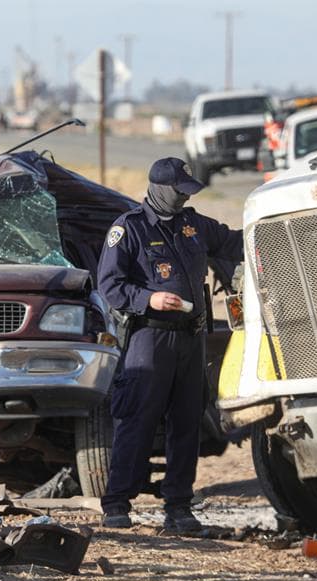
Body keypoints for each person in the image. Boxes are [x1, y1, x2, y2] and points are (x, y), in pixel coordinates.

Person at [97, 157, 243, 533]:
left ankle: (178, 506)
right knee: (138, 419)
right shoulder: (129, 229)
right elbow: (110, 285)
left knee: (187, 421)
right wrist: (149, 299)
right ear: (161, 189)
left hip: (191, 339)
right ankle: (117, 503)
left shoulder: (193, 225)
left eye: (188, 192)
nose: (184, 198)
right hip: (151, 338)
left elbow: (233, 242)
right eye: (179, 191)